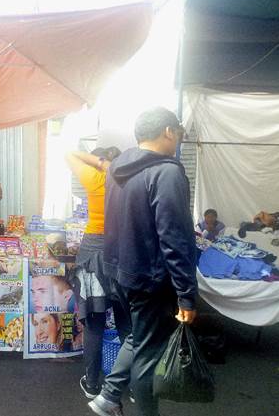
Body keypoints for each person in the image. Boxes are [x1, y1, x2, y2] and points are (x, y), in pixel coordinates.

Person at [89, 107, 197, 416]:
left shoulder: (118, 167)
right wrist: (186, 293)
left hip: (119, 272)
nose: (178, 139)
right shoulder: (167, 172)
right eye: (178, 132)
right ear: (168, 131)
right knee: (148, 355)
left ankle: (109, 396)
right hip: (150, 278)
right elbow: (174, 237)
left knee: (138, 337)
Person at [66, 146, 130, 400]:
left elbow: (69, 153)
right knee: (127, 324)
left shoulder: (95, 178)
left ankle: (92, 384)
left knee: (95, 325)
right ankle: (132, 385)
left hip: (93, 254)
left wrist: (98, 163)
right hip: (124, 254)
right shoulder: (130, 182)